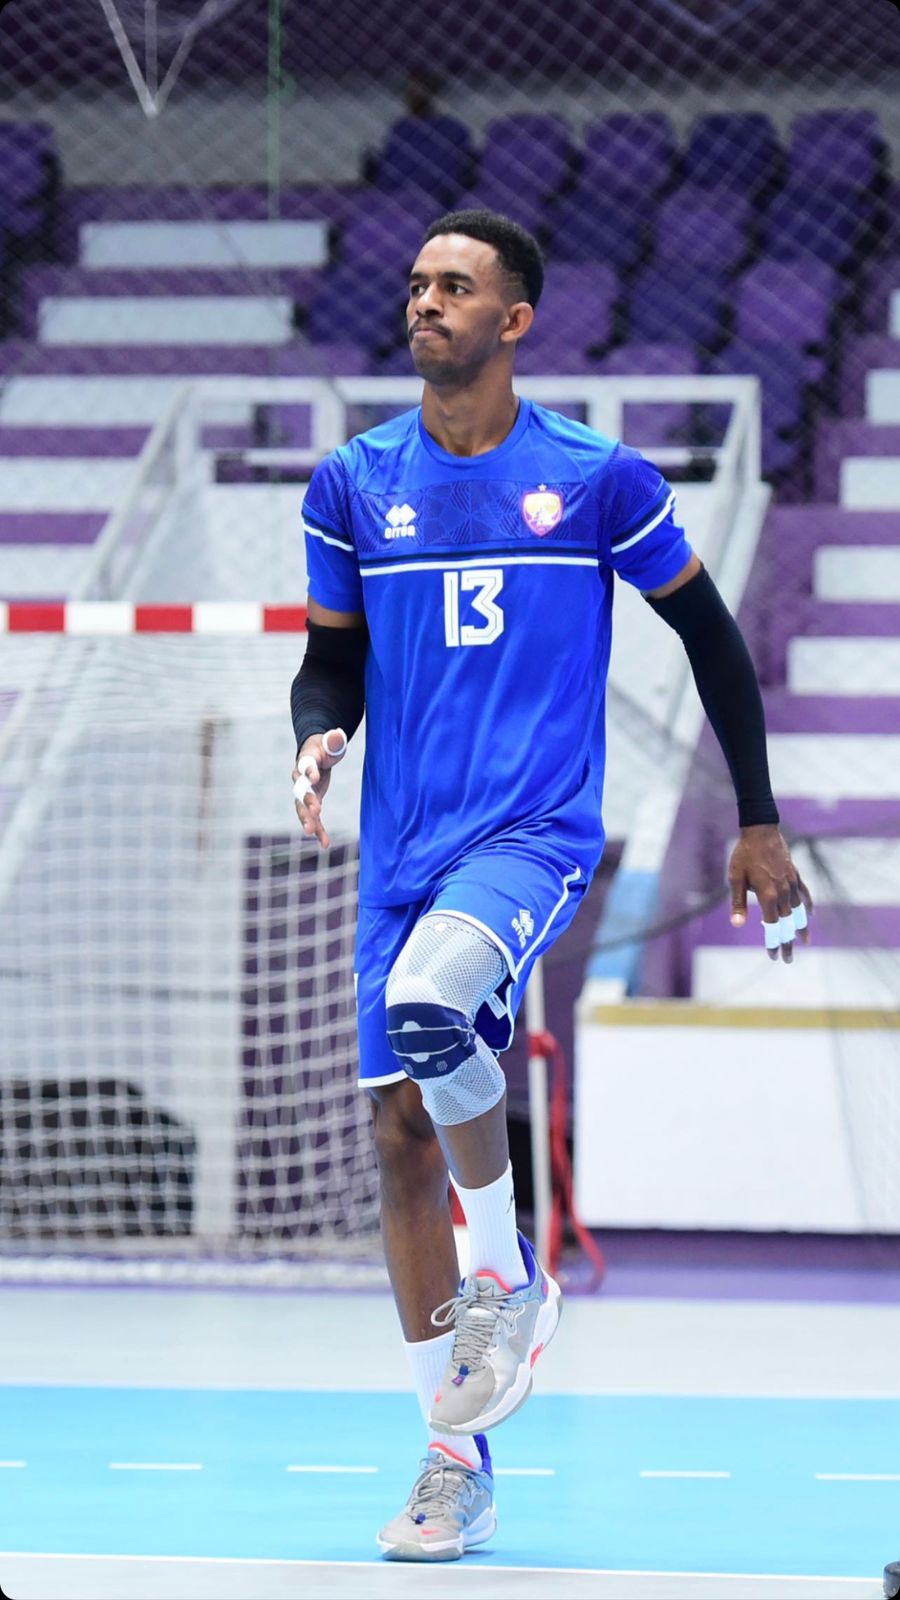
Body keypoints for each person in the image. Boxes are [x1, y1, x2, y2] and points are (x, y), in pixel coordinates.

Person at [290, 209, 812, 1563]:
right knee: (400, 1134)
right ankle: (452, 1461)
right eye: (417, 284)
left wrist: (758, 819)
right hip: (401, 850)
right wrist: (318, 732)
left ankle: (508, 1274)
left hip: (532, 833)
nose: (426, 302)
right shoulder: (352, 483)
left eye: (455, 287)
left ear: (514, 320)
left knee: (431, 1006)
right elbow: (330, 658)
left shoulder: (594, 479)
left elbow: (711, 638)